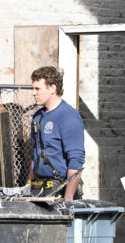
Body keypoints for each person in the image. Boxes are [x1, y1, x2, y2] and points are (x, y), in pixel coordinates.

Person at [28, 66, 85, 200]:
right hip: (38, 189)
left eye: (38, 89)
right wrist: (28, 186)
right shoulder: (37, 116)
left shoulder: (68, 117)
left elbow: (76, 161)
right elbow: (35, 155)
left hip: (61, 190)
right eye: (33, 88)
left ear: (53, 88)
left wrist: (68, 199)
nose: (33, 93)